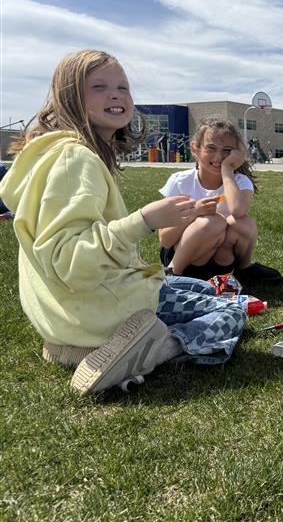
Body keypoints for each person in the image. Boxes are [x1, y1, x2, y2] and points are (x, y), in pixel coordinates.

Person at [0, 50, 247, 395]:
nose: (116, 94)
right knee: (231, 312)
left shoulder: (52, 155)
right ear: (69, 96)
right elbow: (69, 261)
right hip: (100, 312)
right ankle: (159, 347)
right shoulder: (76, 160)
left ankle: (74, 347)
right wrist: (144, 220)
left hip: (64, 316)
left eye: (123, 87)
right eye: (98, 86)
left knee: (204, 288)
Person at [158, 117, 281, 286]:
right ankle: (173, 273)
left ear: (237, 153)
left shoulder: (240, 181)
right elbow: (165, 239)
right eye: (211, 148)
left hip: (219, 260)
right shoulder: (180, 181)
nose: (219, 156)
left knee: (244, 224)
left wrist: (227, 170)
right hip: (184, 256)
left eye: (227, 150)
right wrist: (194, 212)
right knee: (212, 222)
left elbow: (237, 211)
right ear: (195, 148)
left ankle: (244, 269)